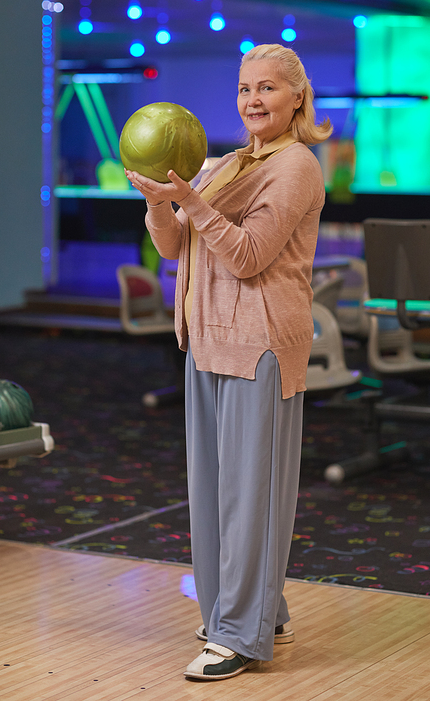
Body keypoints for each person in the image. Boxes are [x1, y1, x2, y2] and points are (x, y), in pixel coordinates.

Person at [125, 43, 332, 681]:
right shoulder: (230, 162)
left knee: (249, 493)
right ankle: (247, 610)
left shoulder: (296, 165)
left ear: (297, 97)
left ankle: (239, 633)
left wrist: (194, 199)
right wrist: (163, 201)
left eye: (267, 88)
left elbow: (248, 255)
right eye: (245, 89)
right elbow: (172, 249)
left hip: (262, 341)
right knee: (215, 491)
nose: (252, 101)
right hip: (208, 336)